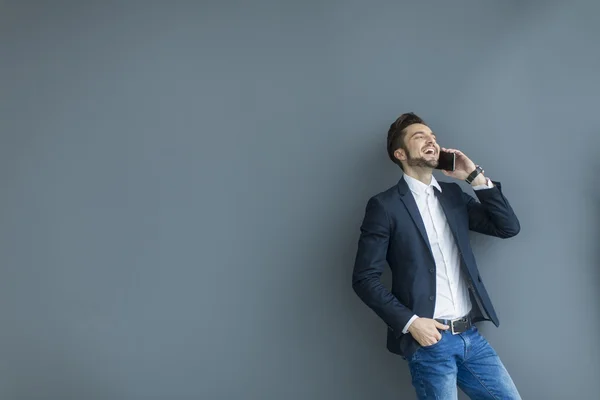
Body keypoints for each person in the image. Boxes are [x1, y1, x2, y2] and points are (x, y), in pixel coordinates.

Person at [352, 112, 522, 399]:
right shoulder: (385, 206)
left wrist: (473, 175)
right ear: (400, 153)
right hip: (430, 342)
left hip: (471, 337)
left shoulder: (453, 196)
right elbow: (364, 278)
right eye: (420, 137)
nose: (431, 141)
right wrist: (411, 323)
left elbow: (508, 227)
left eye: (433, 137)